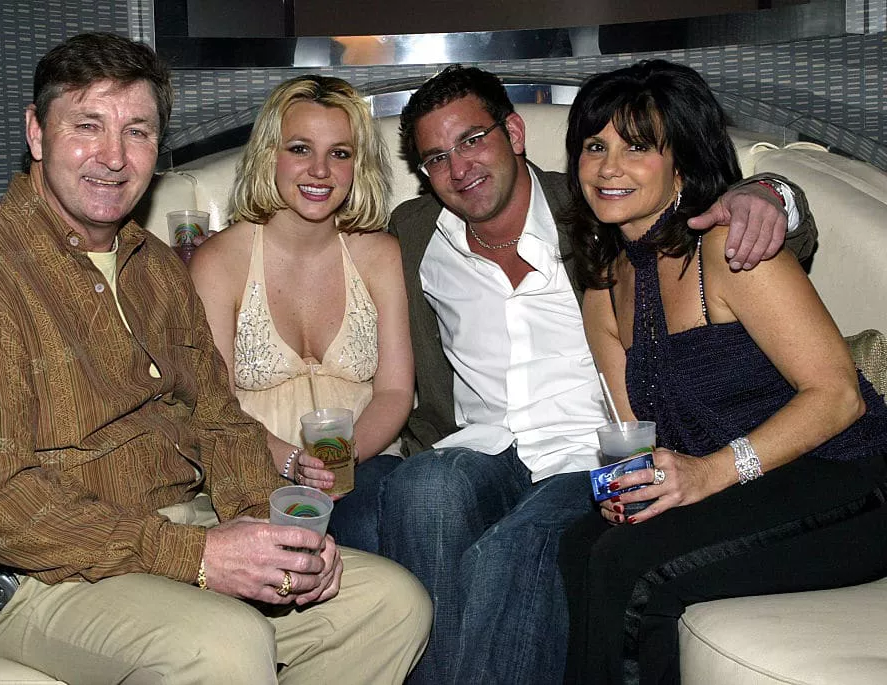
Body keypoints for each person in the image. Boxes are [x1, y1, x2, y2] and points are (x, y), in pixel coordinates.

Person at [0, 33, 430, 685]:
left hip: (176, 532)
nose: (114, 157)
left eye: (137, 132)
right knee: (225, 643)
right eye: (88, 125)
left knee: (390, 605)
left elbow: (220, 421)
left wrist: (267, 528)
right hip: (35, 574)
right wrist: (197, 555)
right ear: (36, 132)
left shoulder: (157, 269)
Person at [378, 64, 817, 685]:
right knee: (421, 488)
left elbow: (725, 213)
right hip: (480, 452)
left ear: (514, 132)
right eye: (436, 157)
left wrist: (771, 195)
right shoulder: (415, 230)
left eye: (472, 139)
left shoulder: (594, 205)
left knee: (514, 549)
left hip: (587, 455)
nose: (459, 168)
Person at [557, 59, 887, 685]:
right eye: (594, 146)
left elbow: (839, 395)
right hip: (747, 492)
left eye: (637, 147)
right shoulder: (604, 282)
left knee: (628, 566)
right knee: (580, 543)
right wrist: (634, 489)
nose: (607, 167)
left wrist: (710, 472)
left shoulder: (730, 249)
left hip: (851, 479)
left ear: (681, 163)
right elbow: (636, 435)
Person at [189, 75, 412, 554]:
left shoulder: (380, 255)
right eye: (299, 149)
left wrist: (340, 458)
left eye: (340, 153)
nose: (320, 171)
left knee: (381, 514)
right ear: (270, 154)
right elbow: (214, 405)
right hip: (256, 470)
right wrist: (293, 462)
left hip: (368, 467)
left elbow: (396, 391)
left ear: (358, 165)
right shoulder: (220, 262)